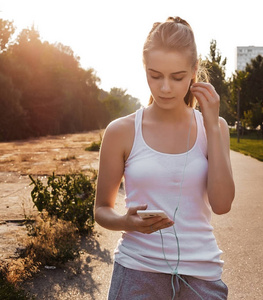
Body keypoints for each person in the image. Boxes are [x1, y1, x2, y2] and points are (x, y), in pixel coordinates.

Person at [94, 16, 235, 300]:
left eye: (178, 77)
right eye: (155, 75)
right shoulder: (121, 131)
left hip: (201, 278)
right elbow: (101, 210)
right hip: (137, 272)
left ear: (195, 70)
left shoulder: (215, 128)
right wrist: (127, 221)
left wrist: (210, 124)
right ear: (144, 68)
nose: (165, 88)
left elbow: (222, 205)